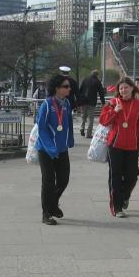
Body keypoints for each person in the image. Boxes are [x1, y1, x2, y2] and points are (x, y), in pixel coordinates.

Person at [99, 76, 139, 218]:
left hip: (132, 146)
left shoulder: (138, 106)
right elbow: (103, 120)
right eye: (121, 88)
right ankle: (117, 207)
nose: (123, 90)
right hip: (115, 145)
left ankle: (124, 196)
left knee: (132, 176)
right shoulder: (113, 102)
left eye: (126, 87)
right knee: (115, 176)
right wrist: (114, 111)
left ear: (132, 88)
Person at [35, 74, 75, 225]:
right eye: (66, 86)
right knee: (48, 181)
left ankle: (52, 204)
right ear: (57, 88)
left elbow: (69, 122)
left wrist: (70, 138)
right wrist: (50, 147)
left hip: (62, 149)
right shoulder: (47, 104)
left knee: (64, 180)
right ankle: (46, 213)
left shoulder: (67, 103)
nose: (69, 89)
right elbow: (42, 128)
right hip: (46, 150)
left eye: (69, 86)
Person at [78, 69, 106, 138]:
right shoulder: (97, 81)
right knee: (91, 119)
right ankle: (88, 134)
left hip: (83, 101)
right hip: (92, 102)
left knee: (83, 116)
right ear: (97, 75)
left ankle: (82, 128)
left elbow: (80, 90)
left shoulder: (85, 79)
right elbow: (101, 93)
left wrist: (79, 100)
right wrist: (103, 102)